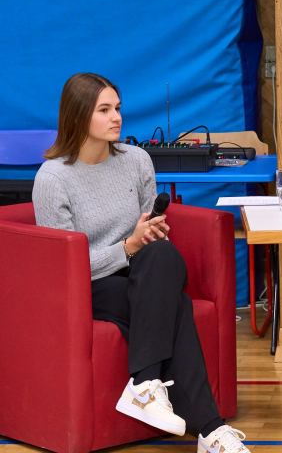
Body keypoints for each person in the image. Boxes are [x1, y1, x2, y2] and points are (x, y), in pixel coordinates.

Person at [33, 73, 251, 453]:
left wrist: (148, 235)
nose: (116, 117)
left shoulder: (137, 160)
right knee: (177, 304)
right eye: (104, 110)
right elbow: (64, 268)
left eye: (117, 108)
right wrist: (127, 247)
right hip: (87, 283)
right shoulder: (53, 179)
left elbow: (149, 234)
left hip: (141, 270)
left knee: (163, 253)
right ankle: (210, 431)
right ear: (78, 115)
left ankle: (145, 385)